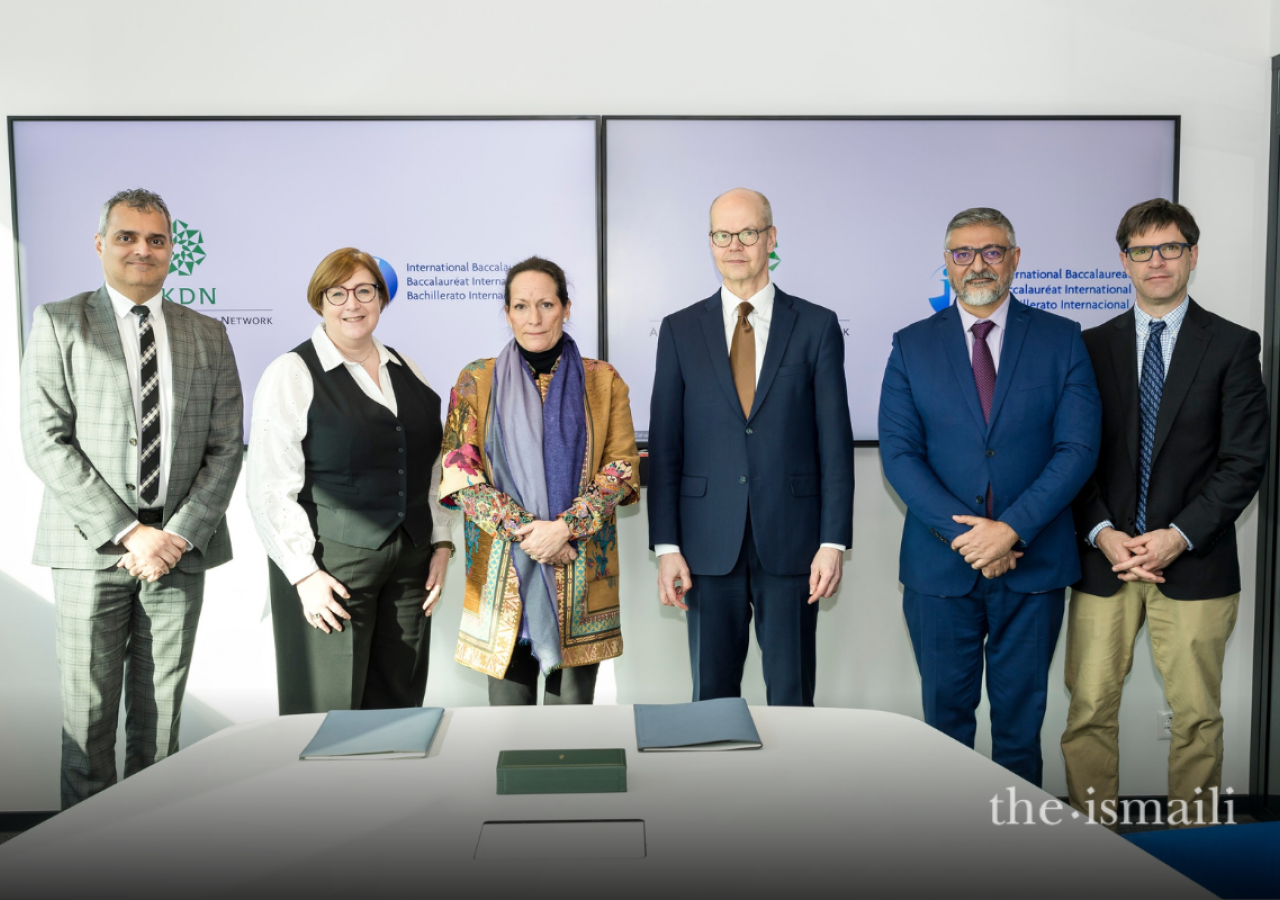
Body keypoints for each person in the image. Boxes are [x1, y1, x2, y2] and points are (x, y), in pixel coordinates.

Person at [20, 188, 244, 808]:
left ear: (172, 250)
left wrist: (174, 536)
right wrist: (129, 531)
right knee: (86, 718)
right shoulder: (60, 322)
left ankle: (152, 850)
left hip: (179, 552)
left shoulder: (208, 333)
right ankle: (85, 859)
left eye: (155, 239)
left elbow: (227, 447)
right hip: (92, 550)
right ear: (100, 245)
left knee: (162, 722)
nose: (141, 250)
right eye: (126, 237)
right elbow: (44, 441)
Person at [1062, 199, 1268, 825]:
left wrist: (1177, 537)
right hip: (1106, 564)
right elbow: (1073, 456)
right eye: (1143, 251)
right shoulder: (1087, 347)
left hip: (1196, 562)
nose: (1157, 262)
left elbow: (1244, 460)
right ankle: (1091, 844)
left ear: (1192, 254)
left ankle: (1195, 850)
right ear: (1123, 260)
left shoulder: (1233, 345)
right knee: (1089, 709)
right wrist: (1103, 533)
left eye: (1170, 248)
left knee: (1198, 716)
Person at [878, 207, 1101, 787]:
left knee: (1020, 727)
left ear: (1015, 259)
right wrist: (971, 537)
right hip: (940, 568)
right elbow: (900, 456)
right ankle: (951, 859)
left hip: (1033, 565)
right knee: (943, 726)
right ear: (946, 264)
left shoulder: (1061, 339)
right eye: (962, 254)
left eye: (992, 251)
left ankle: (1017, 859)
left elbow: (1076, 449)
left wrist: (1011, 529)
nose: (978, 265)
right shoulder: (910, 346)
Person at [648, 187, 854, 707]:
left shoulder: (817, 325)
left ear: (771, 238)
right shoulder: (679, 329)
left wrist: (834, 541)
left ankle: (794, 790)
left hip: (792, 544)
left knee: (792, 695)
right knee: (711, 697)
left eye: (747, 233)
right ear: (710, 241)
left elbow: (834, 443)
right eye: (722, 234)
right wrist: (667, 548)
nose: (734, 245)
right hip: (704, 548)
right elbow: (666, 449)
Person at [247, 248, 455, 714]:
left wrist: (441, 543)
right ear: (319, 301)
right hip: (331, 569)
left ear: (381, 300)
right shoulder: (292, 372)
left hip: (410, 566)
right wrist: (303, 574)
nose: (352, 304)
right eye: (337, 293)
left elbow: (430, 467)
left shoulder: (406, 367)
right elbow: (269, 485)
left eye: (365, 291)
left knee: (398, 704)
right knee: (328, 708)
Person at [439, 256, 638, 705]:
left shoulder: (603, 381)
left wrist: (563, 529)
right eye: (522, 306)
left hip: (581, 569)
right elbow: (461, 473)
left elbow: (621, 469)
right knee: (509, 729)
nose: (534, 318)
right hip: (502, 573)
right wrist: (532, 535)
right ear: (507, 312)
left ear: (567, 307)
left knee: (571, 729)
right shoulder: (475, 379)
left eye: (546, 304)